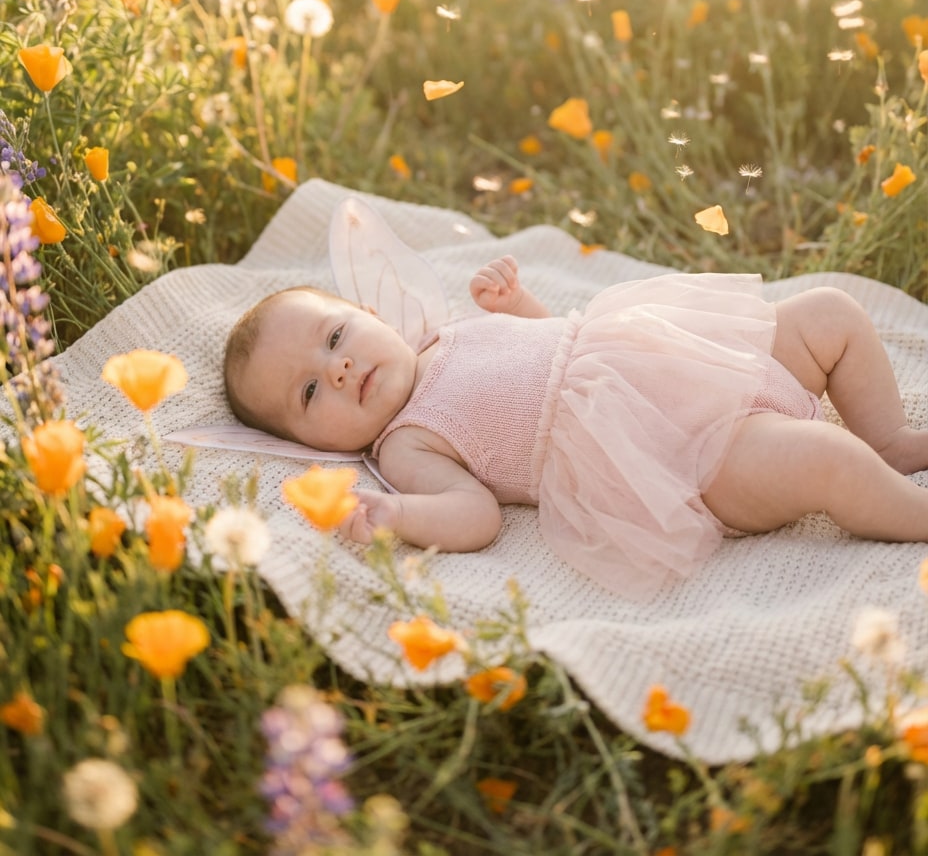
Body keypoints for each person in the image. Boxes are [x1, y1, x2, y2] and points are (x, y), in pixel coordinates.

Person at [223, 257, 928, 598]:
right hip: (681, 453)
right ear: (308, 444)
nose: (339, 368)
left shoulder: (451, 333)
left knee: (829, 313)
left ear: (372, 314)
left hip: (698, 361)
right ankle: (911, 510)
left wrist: (518, 302)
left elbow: (559, 343)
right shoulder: (406, 443)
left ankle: (890, 440)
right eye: (309, 391)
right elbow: (474, 515)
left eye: (336, 336)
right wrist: (398, 516)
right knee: (824, 459)